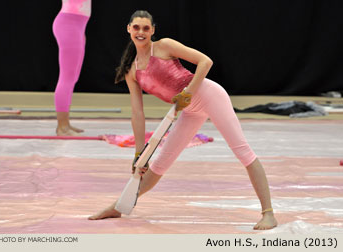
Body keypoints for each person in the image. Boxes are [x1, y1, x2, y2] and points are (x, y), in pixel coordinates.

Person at [89, 10, 278, 230]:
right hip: (188, 110)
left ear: (153, 30)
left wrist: (188, 92)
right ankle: (119, 206)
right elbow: (137, 113)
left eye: (146, 28)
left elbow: (205, 62)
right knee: (158, 164)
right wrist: (140, 154)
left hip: (209, 95)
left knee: (242, 151)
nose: (141, 32)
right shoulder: (132, 71)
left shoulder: (164, 46)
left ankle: (269, 214)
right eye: (137, 27)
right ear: (129, 29)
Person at [52, 0, 91, 136]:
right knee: (66, 78)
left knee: (73, 78)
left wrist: (81, 32)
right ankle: (62, 126)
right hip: (69, 24)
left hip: (78, 26)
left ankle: (65, 123)